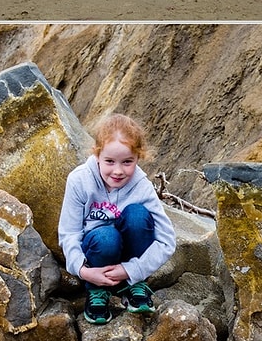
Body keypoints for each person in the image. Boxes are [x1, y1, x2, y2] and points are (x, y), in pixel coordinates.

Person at [58, 112, 176, 324]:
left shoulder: (142, 186)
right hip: (97, 255)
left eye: (127, 162)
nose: (118, 171)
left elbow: (167, 240)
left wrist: (131, 270)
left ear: (138, 158)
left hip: (130, 263)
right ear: (97, 155)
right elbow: (69, 233)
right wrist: (84, 271)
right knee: (106, 237)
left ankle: (133, 285)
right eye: (110, 161)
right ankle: (98, 291)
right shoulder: (79, 181)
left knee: (137, 215)